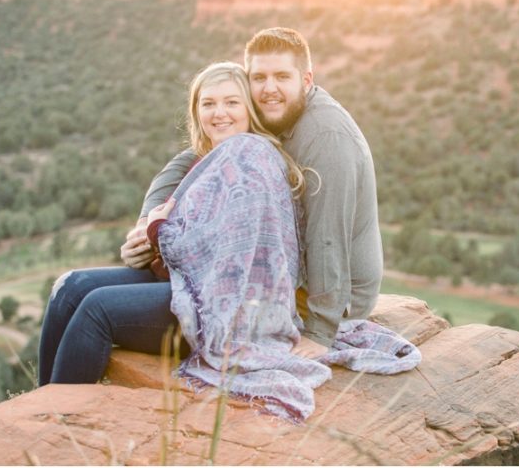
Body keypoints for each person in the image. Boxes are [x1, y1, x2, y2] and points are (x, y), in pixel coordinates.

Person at [38, 62, 310, 387]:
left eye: (231, 102)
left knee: (97, 310)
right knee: (69, 288)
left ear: (251, 108)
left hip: (225, 310)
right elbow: (168, 213)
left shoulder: (252, 158)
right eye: (208, 103)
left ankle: (60, 417)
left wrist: (157, 229)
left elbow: (211, 245)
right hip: (189, 284)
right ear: (196, 111)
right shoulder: (207, 157)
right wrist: (148, 230)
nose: (219, 112)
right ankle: (40, 406)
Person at [121, 27, 383, 358]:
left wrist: (320, 332)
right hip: (282, 273)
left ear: (306, 80)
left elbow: (327, 236)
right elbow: (190, 158)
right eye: (259, 77)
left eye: (282, 77)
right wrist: (146, 223)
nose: (269, 88)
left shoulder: (326, 138)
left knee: (103, 309)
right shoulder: (274, 109)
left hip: (335, 299)